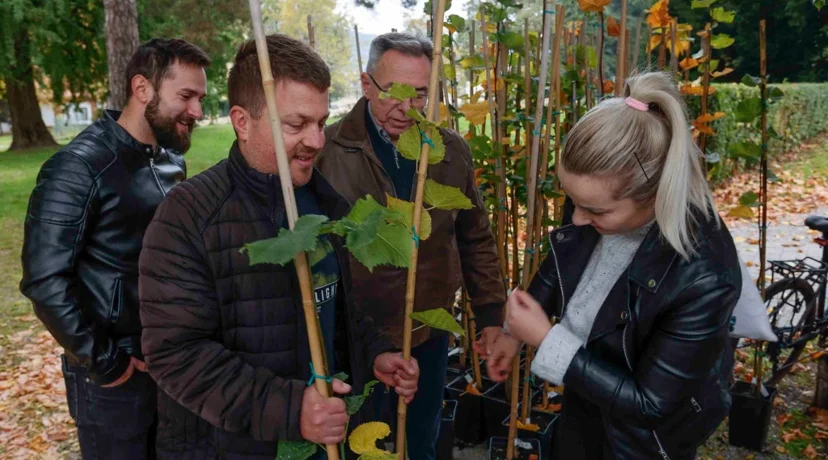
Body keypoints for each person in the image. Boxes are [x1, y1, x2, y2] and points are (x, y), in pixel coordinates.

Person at [138, 34, 419, 459]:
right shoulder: (189, 216)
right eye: (296, 125)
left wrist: (373, 353)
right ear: (242, 121)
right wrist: (291, 409)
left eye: (321, 123)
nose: (317, 140)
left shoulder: (323, 202)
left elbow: (332, 306)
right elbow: (176, 355)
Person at [487, 72, 741, 460]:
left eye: (594, 210)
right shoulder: (599, 203)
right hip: (586, 399)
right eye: (573, 201)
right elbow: (565, 260)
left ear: (653, 195)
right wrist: (516, 329)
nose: (576, 219)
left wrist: (546, 339)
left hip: (641, 443)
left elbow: (650, 404)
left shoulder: (704, 274)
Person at [317, 32, 506, 460]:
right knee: (360, 444)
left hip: (427, 333)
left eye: (420, 94)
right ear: (366, 85)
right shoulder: (327, 153)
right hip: (354, 340)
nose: (406, 108)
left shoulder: (449, 152)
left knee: (420, 439)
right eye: (393, 93)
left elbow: (474, 237)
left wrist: (493, 314)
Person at [19, 38, 210, 459]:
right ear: (142, 89)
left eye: (200, 97)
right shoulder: (78, 167)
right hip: (115, 375)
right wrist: (106, 362)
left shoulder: (171, 161)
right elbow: (44, 280)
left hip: (171, 359)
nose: (197, 111)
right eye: (186, 96)